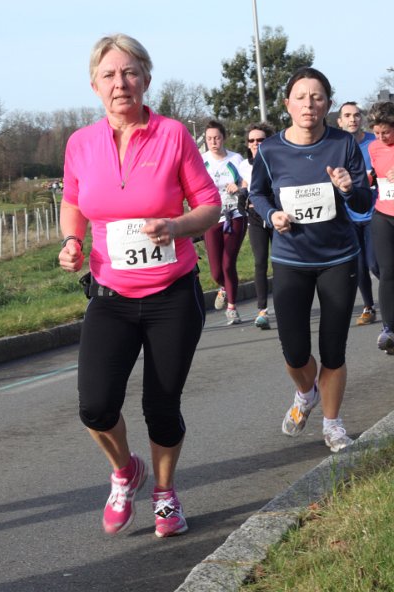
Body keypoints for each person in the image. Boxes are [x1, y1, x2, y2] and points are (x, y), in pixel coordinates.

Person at [58, 34, 221, 538]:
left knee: (161, 406)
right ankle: (126, 471)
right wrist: (72, 241)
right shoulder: (80, 144)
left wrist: (176, 226)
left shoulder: (172, 134)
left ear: (146, 79)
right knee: (95, 405)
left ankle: (166, 494)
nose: (120, 83)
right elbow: (74, 202)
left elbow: (210, 205)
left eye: (129, 72)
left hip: (172, 296)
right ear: (94, 85)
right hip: (110, 296)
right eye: (109, 75)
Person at [250, 67, 371, 452]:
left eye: (317, 97)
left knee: (333, 349)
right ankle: (306, 392)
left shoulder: (344, 144)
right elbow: (258, 194)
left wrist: (349, 189)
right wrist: (272, 215)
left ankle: (333, 425)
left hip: (338, 258)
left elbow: (364, 201)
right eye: (301, 97)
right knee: (294, 351)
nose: (309, 104)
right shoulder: (270, 151)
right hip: (291, 260)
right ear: (287, 104)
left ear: (327, 104)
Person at [202, 120, 247, 325]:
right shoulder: (201, 160)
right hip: (211, 217)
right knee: (216, 271)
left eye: (217, 138)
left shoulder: (235, 159)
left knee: (228, 263)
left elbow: (246, 181)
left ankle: (232, 308)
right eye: (209, 138)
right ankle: (223, 287)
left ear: (224, 138)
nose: (213, 142)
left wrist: (239, 187)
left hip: (234, 214)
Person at [337, 102, 379, 324]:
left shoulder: (375, 142)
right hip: (348, 216)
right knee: (359, 266)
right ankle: (369, 307)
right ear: (340, 121)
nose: (352, 119)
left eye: (356, 115)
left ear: (361, 118)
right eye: (347, 116)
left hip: (375, 212)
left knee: (375, 264)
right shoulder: (337, 147)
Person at [238, 122, 276, 330]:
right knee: (260, 261)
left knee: (279, 262)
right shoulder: (245, 165)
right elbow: (245, 183)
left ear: (268, 141)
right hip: (254, 216)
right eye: (251, 140)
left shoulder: (276, 160)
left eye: (260, 140)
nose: (255, 143)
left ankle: (285, 303)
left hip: (276, 214)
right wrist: (242, 194)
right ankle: (262, 310)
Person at [367, 101, 394, 353]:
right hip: (383, 213)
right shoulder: (374, 147)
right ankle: (389, 329)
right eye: (376, 132)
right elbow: (375, 175)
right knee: (385, 270)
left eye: (385, 132)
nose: (381, 137)